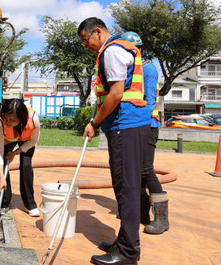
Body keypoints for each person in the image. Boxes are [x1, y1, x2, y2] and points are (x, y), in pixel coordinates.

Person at [79, 18, 150, 265]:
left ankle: (128, 252)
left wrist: (94, 123)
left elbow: (117, 93)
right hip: (128, 126)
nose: (85, 45)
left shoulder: (111, 51)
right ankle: (123, 241)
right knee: (123, 186)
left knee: (126, 188)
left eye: (85, 39)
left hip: (125, 126)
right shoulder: (118, 48)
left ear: (97, 32)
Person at [120, 32, 169, 235]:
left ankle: (162, 219)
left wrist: (138, 124)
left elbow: (149, 101)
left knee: (146, 170)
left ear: (136, 50)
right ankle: (141, 213)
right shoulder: (136, 70)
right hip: (139, 125)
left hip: (148, 125)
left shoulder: (147, 69)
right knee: (138, 171)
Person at [0, 98, 40, 217]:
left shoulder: (33, 119)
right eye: (6, 118)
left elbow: (34, 140)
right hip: (7, 140)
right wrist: (2, 177)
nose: (7, 122)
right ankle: (3, 203)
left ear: (21, 118)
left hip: (27, 140)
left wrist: (15, 153)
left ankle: (30, 205)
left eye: (12, 120)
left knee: (25, 165)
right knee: (1, 170)